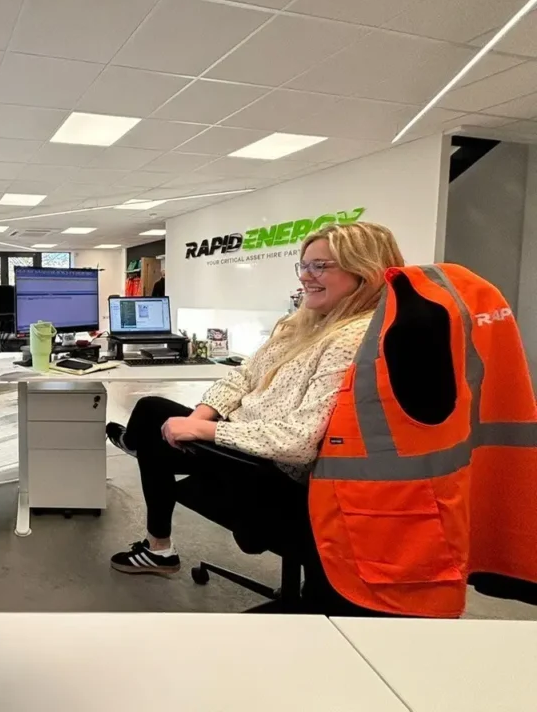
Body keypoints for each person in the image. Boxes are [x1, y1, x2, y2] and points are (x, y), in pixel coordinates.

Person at [105, 222, 405, 612]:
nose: (305, 277)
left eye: (320, 267)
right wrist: (201, 415)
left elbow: (298, 441)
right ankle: (146, 465)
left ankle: (146, 477)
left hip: (272, 469)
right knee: (154, 412)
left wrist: (204, 430)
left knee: (152, 426)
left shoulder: (355, 338)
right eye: (303, 266)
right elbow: (244, 374)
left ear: (363, 271)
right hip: (243, 437)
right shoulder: (304, 322)